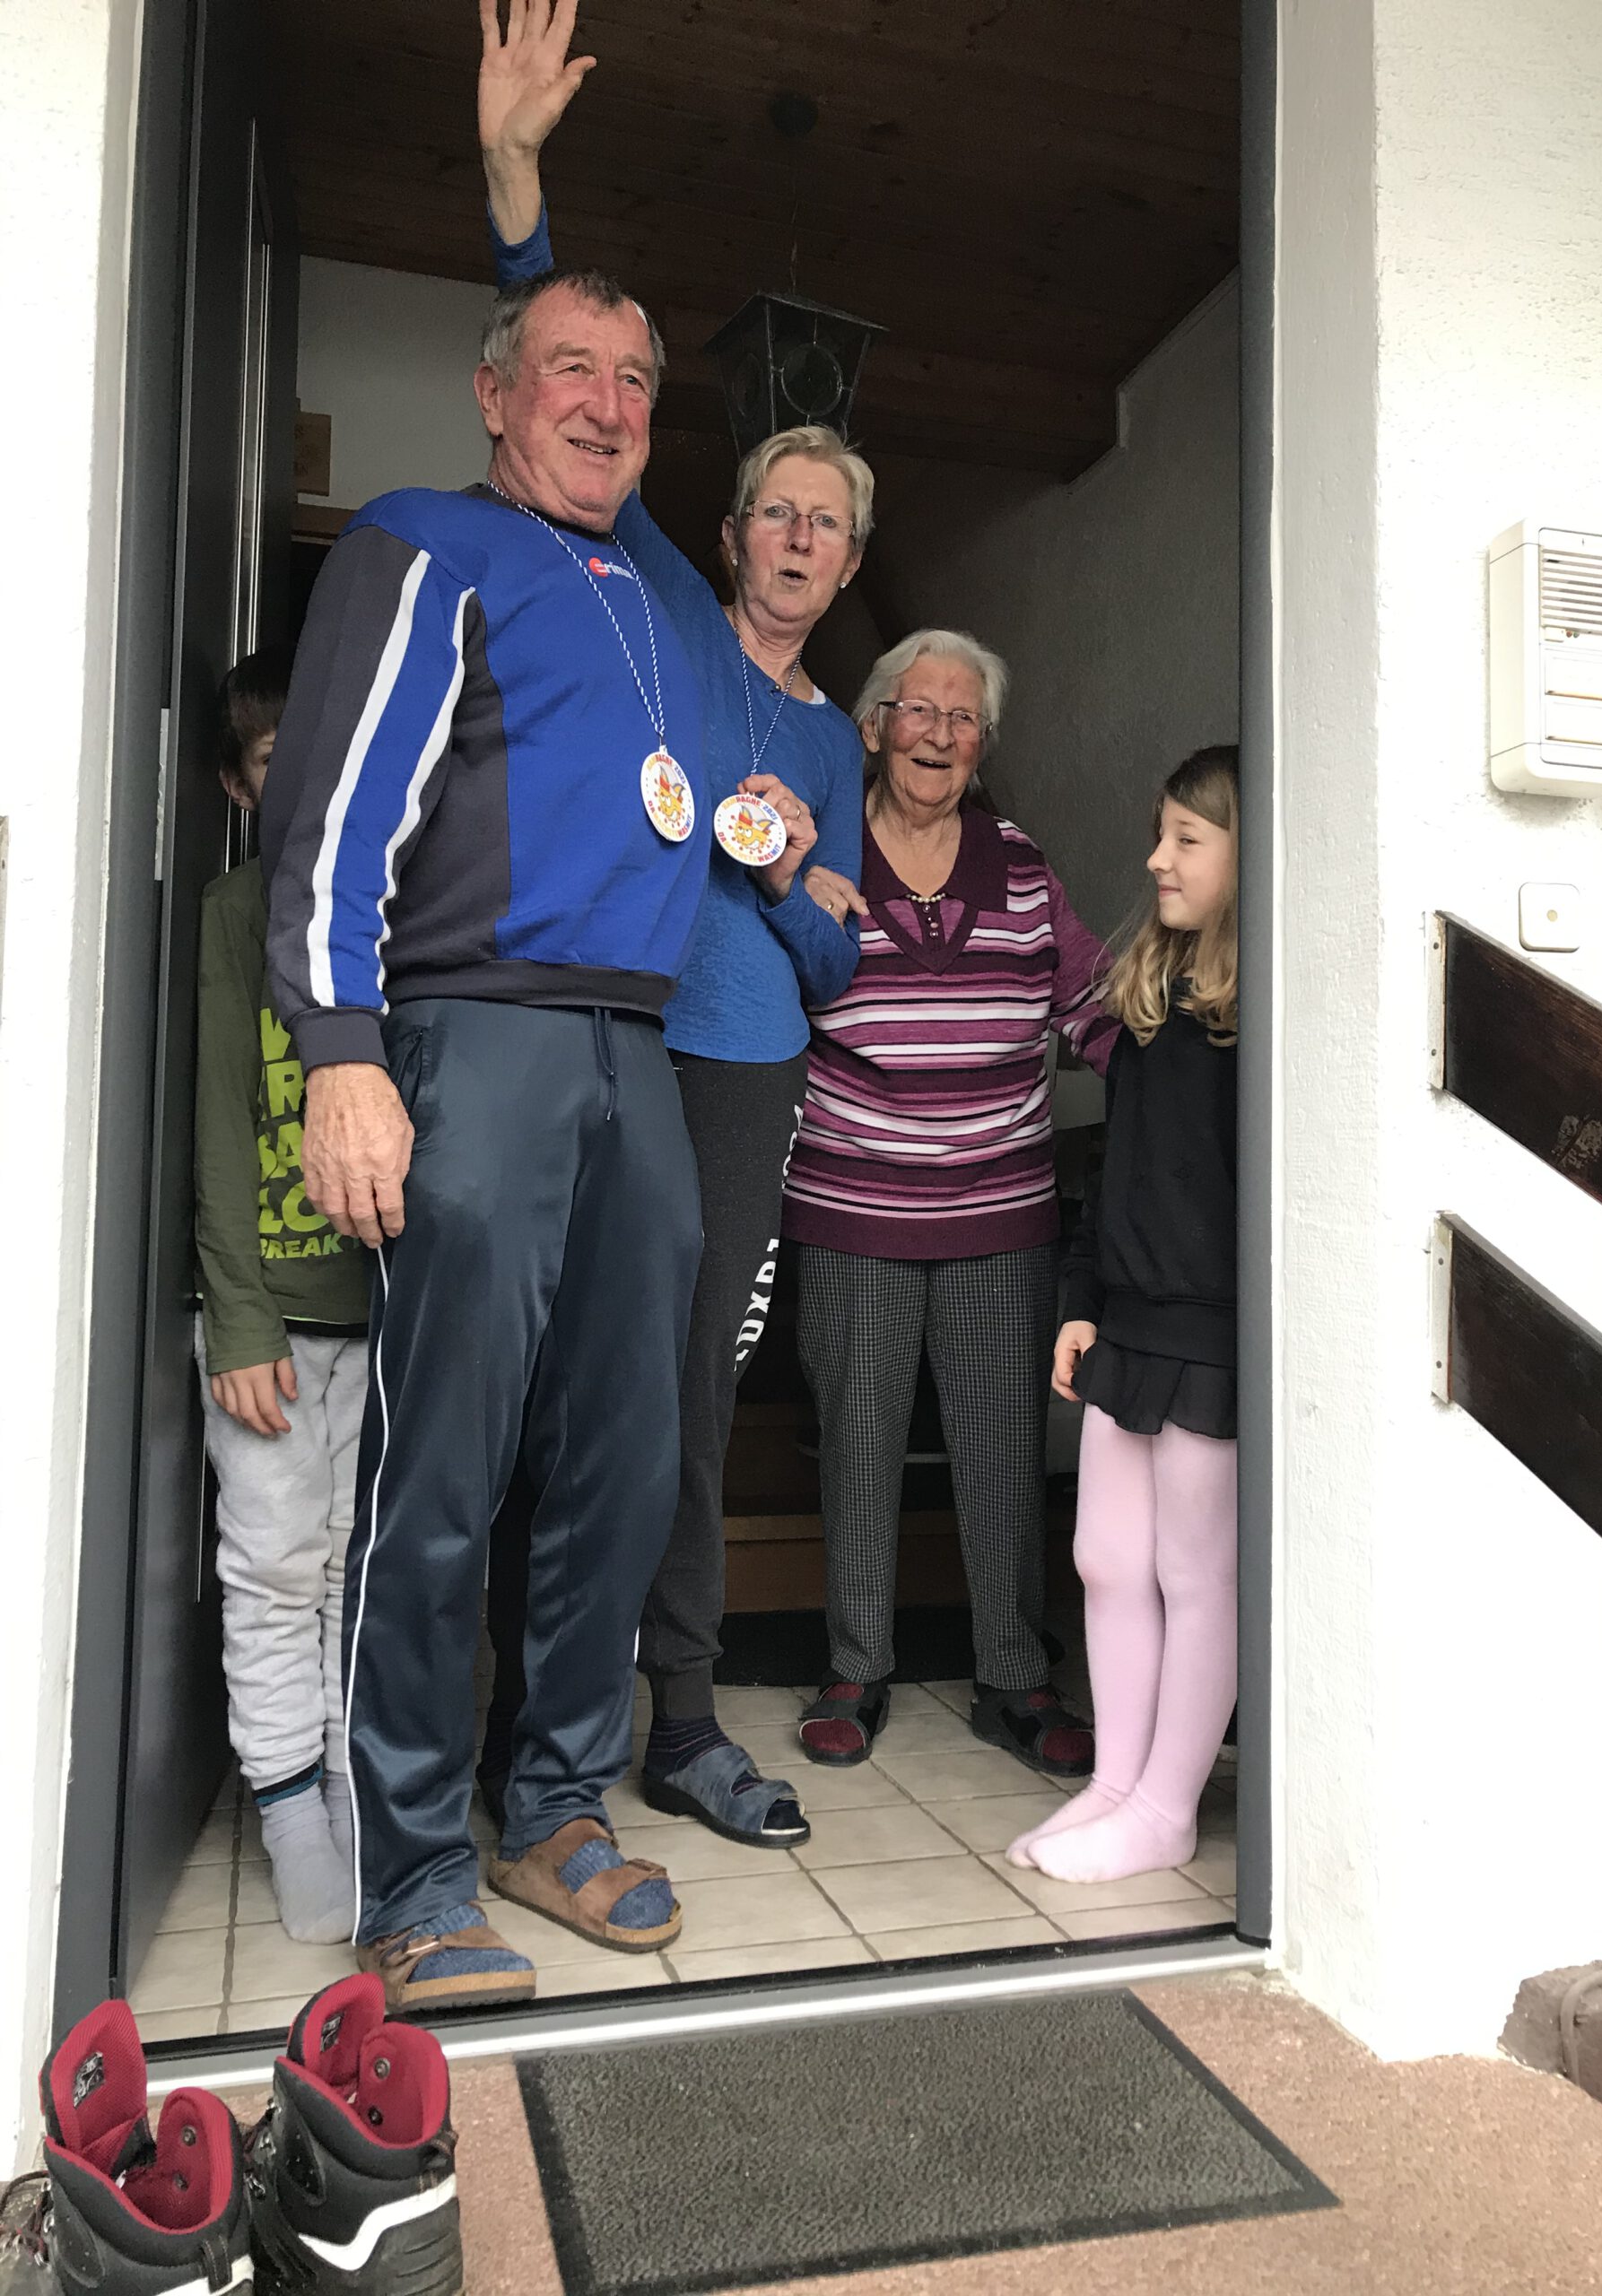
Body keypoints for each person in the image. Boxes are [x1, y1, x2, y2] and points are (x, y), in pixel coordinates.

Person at [261, 258, 710, 2011]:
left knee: (625, 1456)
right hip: (473, 1035)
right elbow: (330, 817)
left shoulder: (645, 596)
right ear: (495, 392)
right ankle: (416, 1869)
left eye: (636, 380)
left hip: (635, 1048)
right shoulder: (424, 541)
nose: (606, 403)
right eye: (570, 367)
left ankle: (553, 1808)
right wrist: (342, 1053)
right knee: (439, 1468)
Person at [476, 0, 866, 1851]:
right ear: (725, 533)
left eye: (827, 525)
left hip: (740, 1078)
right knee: (563, 1375)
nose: (795, 538)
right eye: (774, 511)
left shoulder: (835, 739)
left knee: (691, 1403)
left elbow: (842, 962)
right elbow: (569, 397)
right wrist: (515, 180)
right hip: (608, 1035)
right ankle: (523, 1708)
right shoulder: (658, 611)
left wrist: (789, 878)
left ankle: (684, 1718)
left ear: (848, 562)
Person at [786, 631, 1116, 1774]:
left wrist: (1187, 1075)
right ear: (875, 724)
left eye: (962, 717)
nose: (937, 734)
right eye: (917, 711)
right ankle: (854, 1666)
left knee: (1002, 1450)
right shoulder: (823, 854)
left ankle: (1015, 1677)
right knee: (858, 1443)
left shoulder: (1019, 866)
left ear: (983, 743)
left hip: (1000, 1211)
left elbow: (1092, 1004)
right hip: (852, 1202)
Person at [1008, 746, 1241, 1883]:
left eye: (1187, 839)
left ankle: (1165, 1808)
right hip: (1128, 1324)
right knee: (1105, 1557)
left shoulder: (1256, 1022)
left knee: (1195, 1574)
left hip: (1209, 1337)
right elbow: (1116, 1175)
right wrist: (1082, 1301)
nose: (1156, 858)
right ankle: (1115, 1782)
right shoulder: (1152, 1001)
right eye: (1160, 833)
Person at [194, 648, 370, 1944]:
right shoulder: (233, 911)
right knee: (272, 1564)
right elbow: (215, 1121)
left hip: (384, 1319)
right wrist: (240, 1315)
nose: (302, 780)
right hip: (268, 1316)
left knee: (360, 1566)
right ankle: (289, 1799)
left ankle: (351, 1778)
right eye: (274, 761)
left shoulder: (392, 909)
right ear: (240, 784)